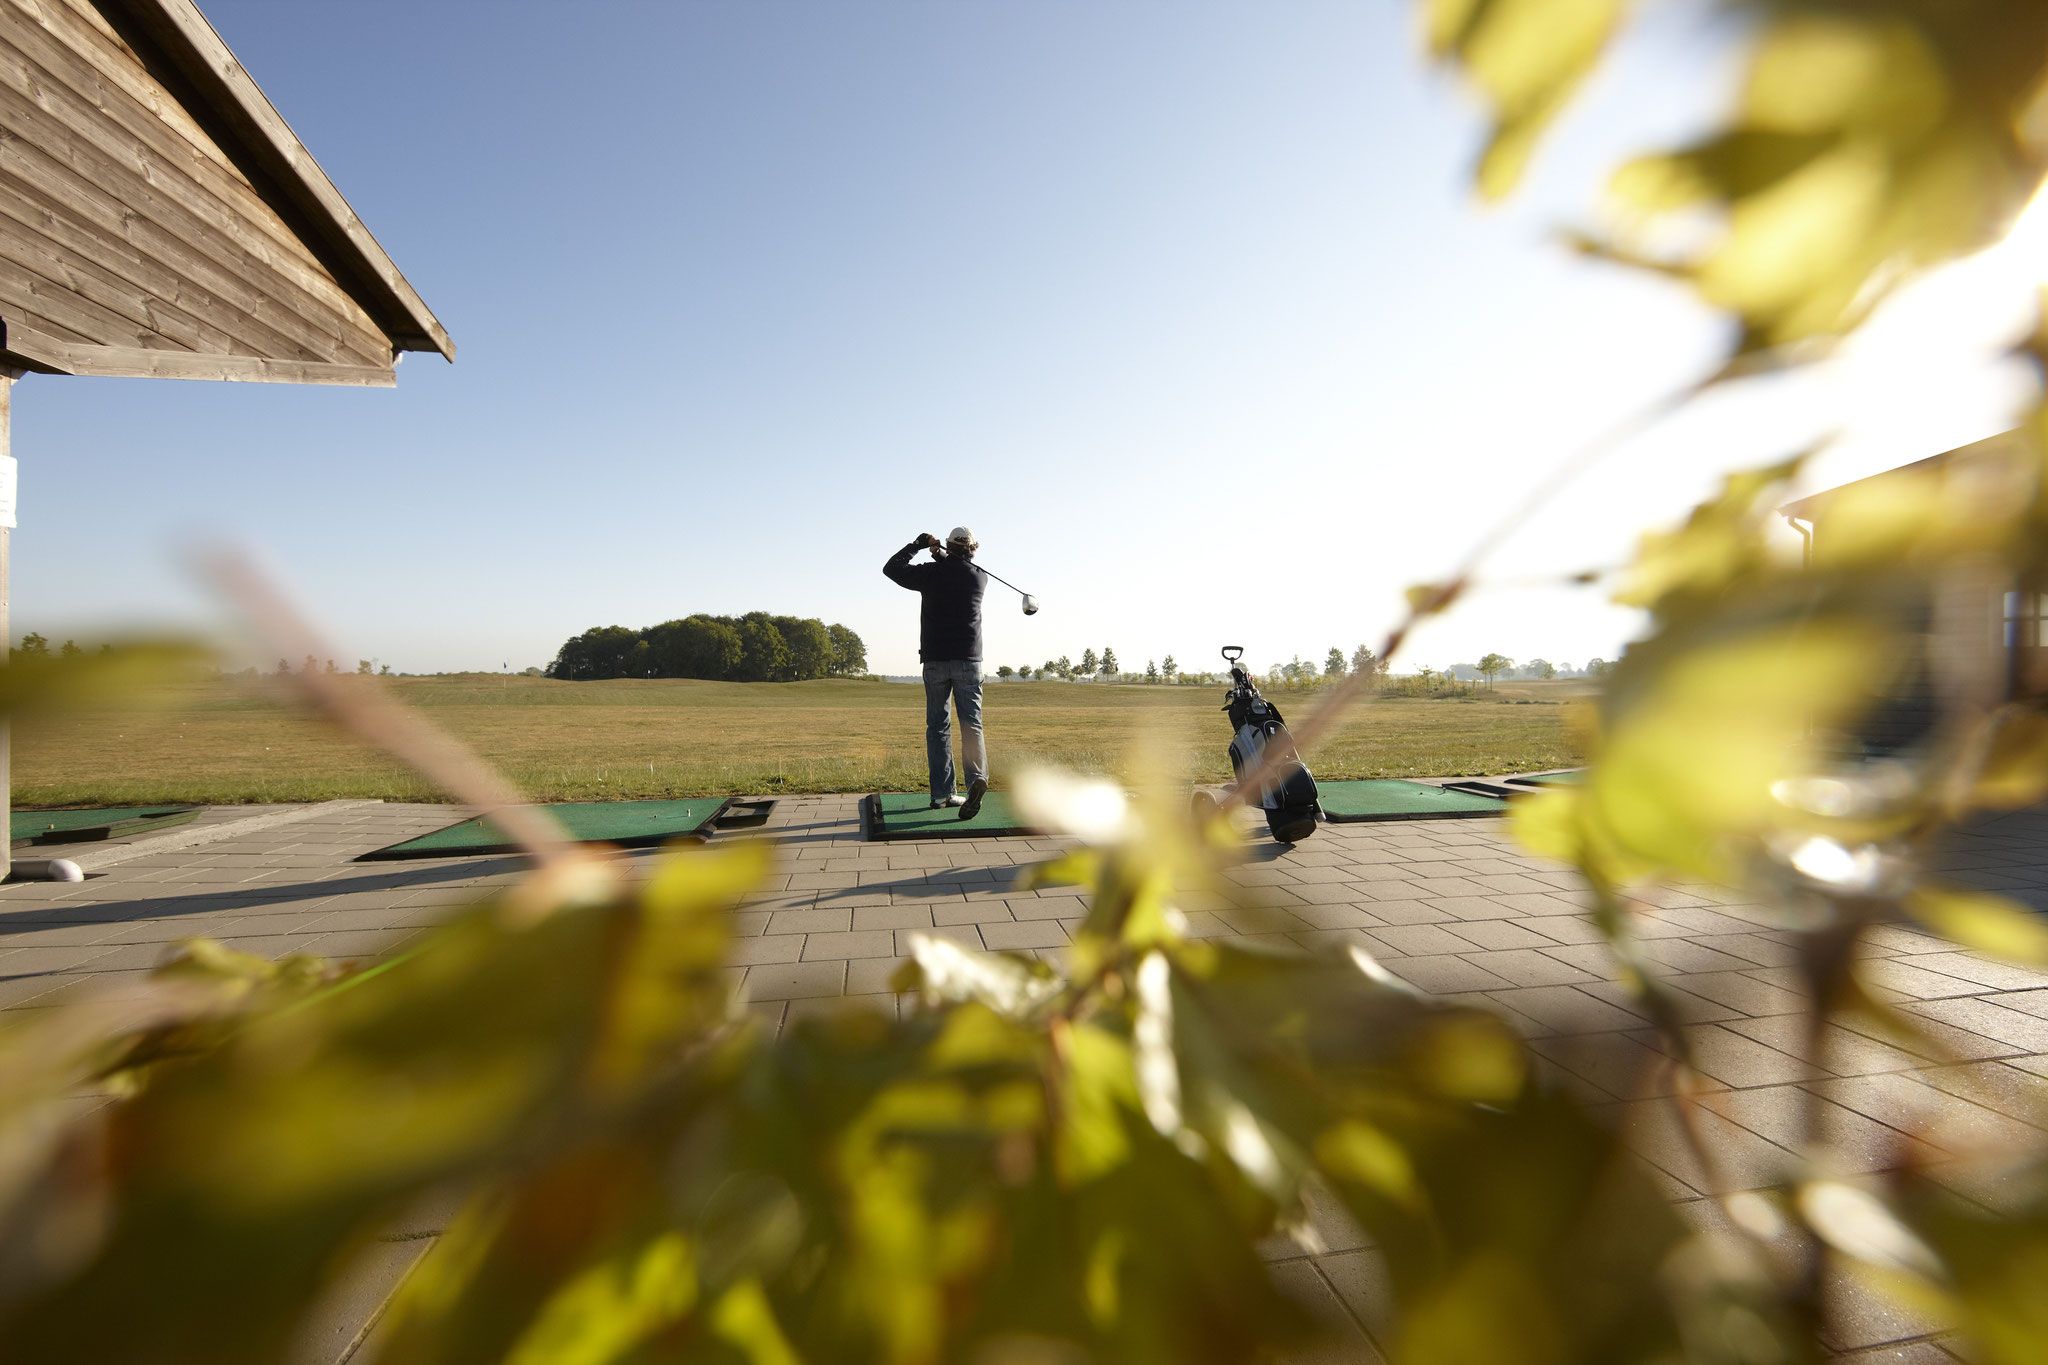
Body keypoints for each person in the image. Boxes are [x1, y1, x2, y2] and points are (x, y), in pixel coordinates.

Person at [883, 527, 988, 818]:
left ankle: (942, 794)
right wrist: (941, 554)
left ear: (950, 546)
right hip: (970, 661)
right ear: (972, 549)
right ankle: (977, 778)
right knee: (972, 725)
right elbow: (956, 569)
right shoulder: (979, 576)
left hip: (935, 661)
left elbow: (891, 569)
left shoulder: (930, 574)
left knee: (938, 728)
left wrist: (917, 545)